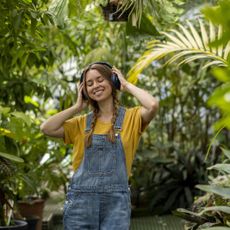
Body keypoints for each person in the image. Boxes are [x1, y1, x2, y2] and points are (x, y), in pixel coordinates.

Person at [40, 62, 159, 230]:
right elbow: (46, 128)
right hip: (80, 205)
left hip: (116, 205)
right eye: (89, 84)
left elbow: (153, 105)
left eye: (99, 80)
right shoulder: (81, 123)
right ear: (84, 91)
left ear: (112, 81)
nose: (95, 86)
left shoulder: (132, 118)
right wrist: (77, 107)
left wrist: (125, 84)